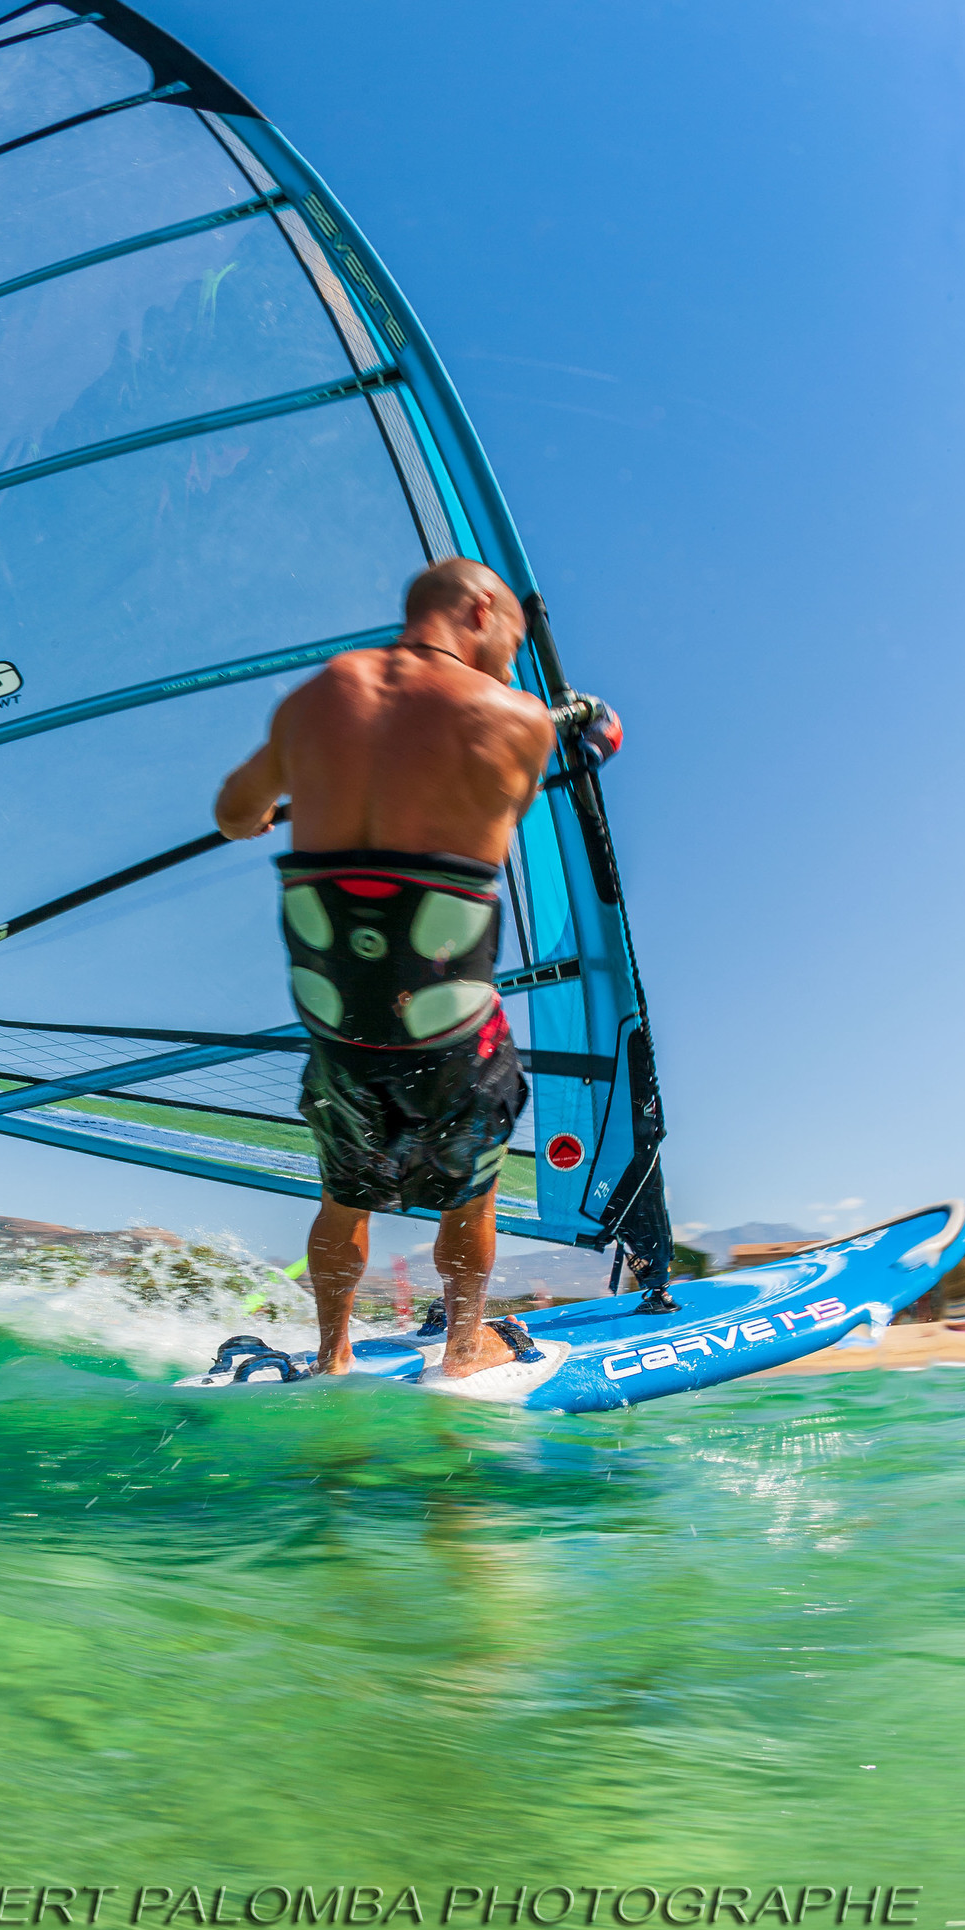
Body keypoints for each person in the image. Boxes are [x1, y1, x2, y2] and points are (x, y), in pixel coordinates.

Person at [214, 556, 661, 1389]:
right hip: (447, 1020)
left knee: (342, 1195)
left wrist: (289, 800)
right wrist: (585, 730)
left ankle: (331, 1354)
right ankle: (462, 1347)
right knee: (472, 1189)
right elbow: (498, 794)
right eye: (515, 643)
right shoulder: (516, 719)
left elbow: (233, 813)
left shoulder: (312, 703)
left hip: (339, 1023)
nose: (515, 662)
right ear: (483, 607)